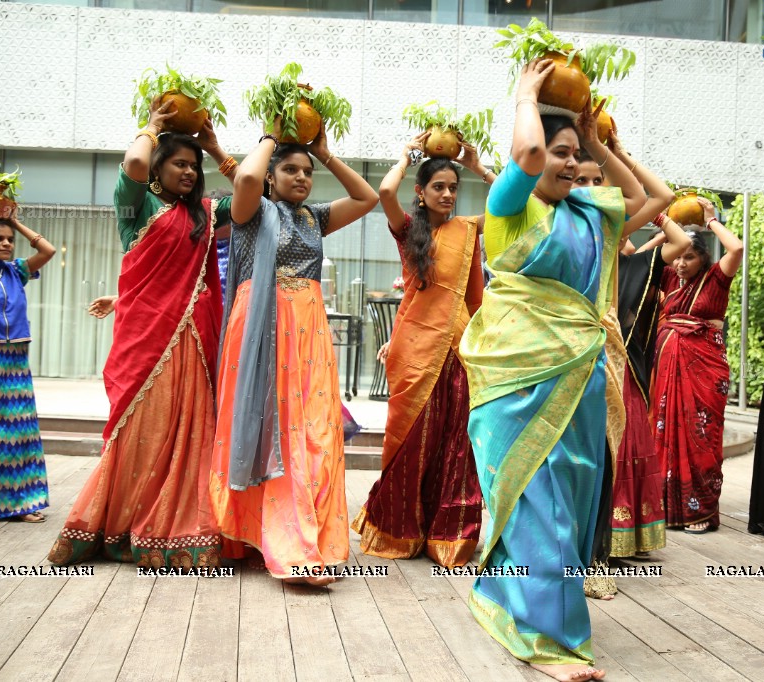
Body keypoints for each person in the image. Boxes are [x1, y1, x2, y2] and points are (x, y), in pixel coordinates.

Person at [459, 58, 646, 682]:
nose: (565, 164)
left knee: (569, 498)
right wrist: (525, 96)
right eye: (559, 154)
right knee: (540, 505)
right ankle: (555, 642)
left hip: (580, 379)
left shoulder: (590, 214)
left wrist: (594, 139)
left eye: (574, 155)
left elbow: (649, 198)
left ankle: (517, 600)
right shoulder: (508, 205)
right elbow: (531, 154)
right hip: (515, 383)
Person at [49, 99, 237, 567]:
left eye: (194, 166)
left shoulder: (205, 214)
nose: (190, 172)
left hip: (191, 337)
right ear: (158, 167)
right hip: (146, 339)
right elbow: (133, 161)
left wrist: (214, 148)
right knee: (141, 431)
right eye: (179, 163)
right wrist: (152, 126)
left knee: (188, 431)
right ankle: (118, 525)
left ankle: (169, 524)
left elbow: (254, 194)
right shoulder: (137, 205)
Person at [209, 119, 378, 586]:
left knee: (316, 433)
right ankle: (289, 547)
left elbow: (367, 199)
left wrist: (325, 153)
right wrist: (270, 135)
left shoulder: (314, 217)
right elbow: (244, 178)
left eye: (308, 172)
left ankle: (313, 539)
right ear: (271, 176)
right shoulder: (251, 210)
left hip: (308, 331)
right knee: (276, 431)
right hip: (263, 325)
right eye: (292, 171)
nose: (303, 178)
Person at [352, 135, 491, 567]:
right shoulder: (410, 231)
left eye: (453, 187)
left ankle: (447, 534)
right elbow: (387, 191)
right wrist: (405, 156)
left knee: (455, 443)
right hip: (416, 349)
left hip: (458, 352)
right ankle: (398, 530)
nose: (448, 194)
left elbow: (518, 208)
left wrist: (478, 167)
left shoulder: (467, 229)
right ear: (422, 192)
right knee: (410, 442)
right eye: (438, 187)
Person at [572, 133, 687, 600]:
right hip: (552, 352)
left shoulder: (607, 230)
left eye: (599, 179)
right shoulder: (539, 222)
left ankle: (593, 560)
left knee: (599, 457)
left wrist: (608, 149)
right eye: (580, 179)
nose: (592, 187)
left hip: (601, 353)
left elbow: (661, 199)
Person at [651, 199, 743, 534]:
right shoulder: (668, 279)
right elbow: (634, 259)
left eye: (689, 255)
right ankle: (664, 506)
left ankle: (700, 510)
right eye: (678, 255)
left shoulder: (717, 277)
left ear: (704, 257)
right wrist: (666, 231)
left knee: (702, 436)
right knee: (662, 434)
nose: (680, 262)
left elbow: (737, 247)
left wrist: (710, 220)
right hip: (667, 366)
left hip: (705, 367)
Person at [0, 201, 56, 524]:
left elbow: (48, 250)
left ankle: (22, 503)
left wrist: (15, 222)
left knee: (18, 432)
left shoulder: (16, 271)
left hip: (14, 364)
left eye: (10, 239)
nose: (7, 243)